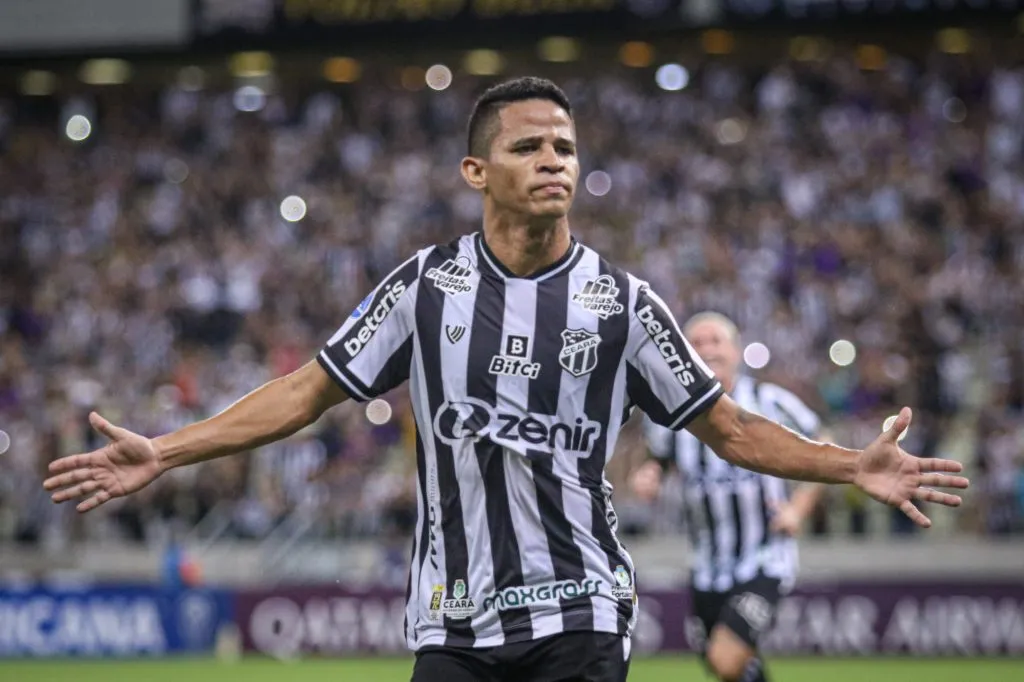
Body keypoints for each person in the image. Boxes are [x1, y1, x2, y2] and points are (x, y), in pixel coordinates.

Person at [43, 77, 968, 682]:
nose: (553, 160)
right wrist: (165, 451)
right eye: (528, 148)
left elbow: (729, 427)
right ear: (476, 171)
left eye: (564, 146)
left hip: (582, 606)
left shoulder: (622, 302)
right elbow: (305, 392)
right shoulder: (423, 289)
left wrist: (851, 465)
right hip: (451, 619)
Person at [633, 311, 828, 682]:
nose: (707, 349)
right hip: (707, 563)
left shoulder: (770, 402)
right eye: (697, 343)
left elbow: (824, 445)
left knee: (726, 657)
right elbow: (656, 457)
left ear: (736, 351)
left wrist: (797, 509)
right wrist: (650, 473)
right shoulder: (671, 410)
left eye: (715, 341)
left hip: (764, 558)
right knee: (725, 667)